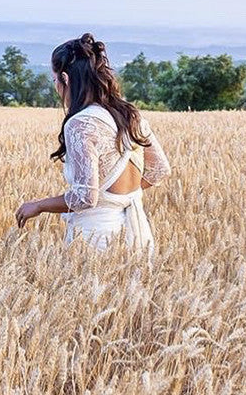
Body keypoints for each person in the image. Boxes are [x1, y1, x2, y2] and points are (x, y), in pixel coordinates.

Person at [15, 33, 170, 252]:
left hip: (96, 238)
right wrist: (118, 196)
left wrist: (39, 206)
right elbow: (159, 170)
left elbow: (85, 197)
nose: (56, 87)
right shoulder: (130, 115)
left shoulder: (81, 124)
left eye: (54, 80)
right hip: (136, 235)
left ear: (65, 79)